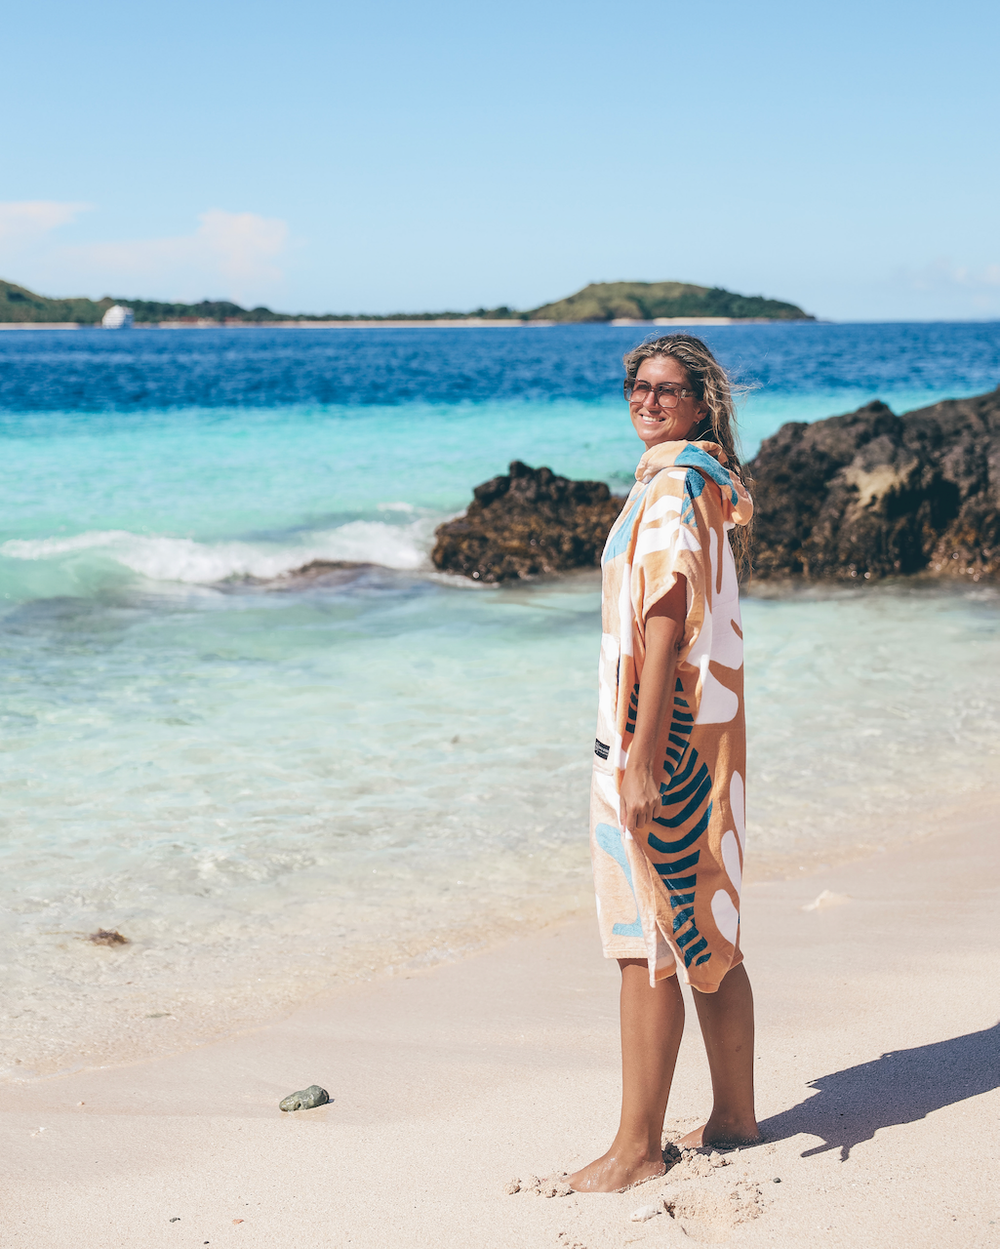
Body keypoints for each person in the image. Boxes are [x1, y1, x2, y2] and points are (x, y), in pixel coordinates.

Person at [569, 334, 759, 1194]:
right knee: (707, 927)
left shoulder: (673, 487)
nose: (646, 401)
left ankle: (636, 1147)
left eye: (667, 390)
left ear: (700, 403)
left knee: (645, 938)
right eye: (636, 386)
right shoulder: (704, 481)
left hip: (664, 738)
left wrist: (641, 756)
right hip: (712, 736)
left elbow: (664, 617)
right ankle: (734, 1116)